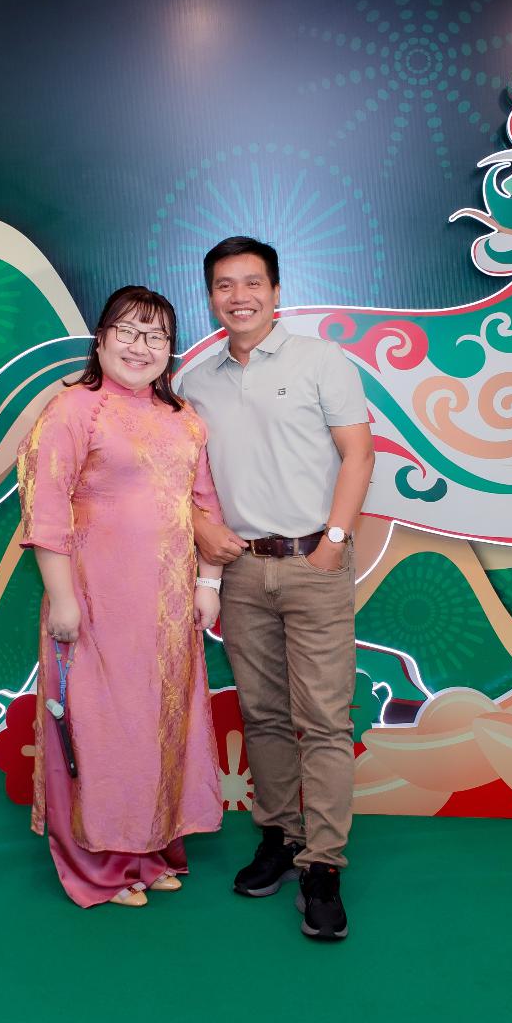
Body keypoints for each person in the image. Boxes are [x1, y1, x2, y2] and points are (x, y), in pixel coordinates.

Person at [180, 236, 375, 942]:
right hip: (239, 571)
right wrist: (203, 528)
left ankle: (323, 865)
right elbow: (182, 478)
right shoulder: (195, 383)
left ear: (276, 290)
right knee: (262, 715)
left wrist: (334, 544)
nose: (240, 296)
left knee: (323, 719)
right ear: (211, 297)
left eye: (252, 282)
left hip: (313, 563)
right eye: (225, 285)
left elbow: (359, 453)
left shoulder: (321, 360)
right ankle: (280, 837)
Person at [15, 285, 226, 908]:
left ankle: (150, 850)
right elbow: (45, 510)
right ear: (101, 339)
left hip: (167, 610)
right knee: (101, 730)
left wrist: (208, 583)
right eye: (128, 332)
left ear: (170, 350)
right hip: (95, 602)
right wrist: (62, 600)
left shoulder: (183, 418)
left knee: (157, 726)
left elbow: (205, 504)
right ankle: (98, 867)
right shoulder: (73, 409)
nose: (141, 347)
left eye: (156, 336)